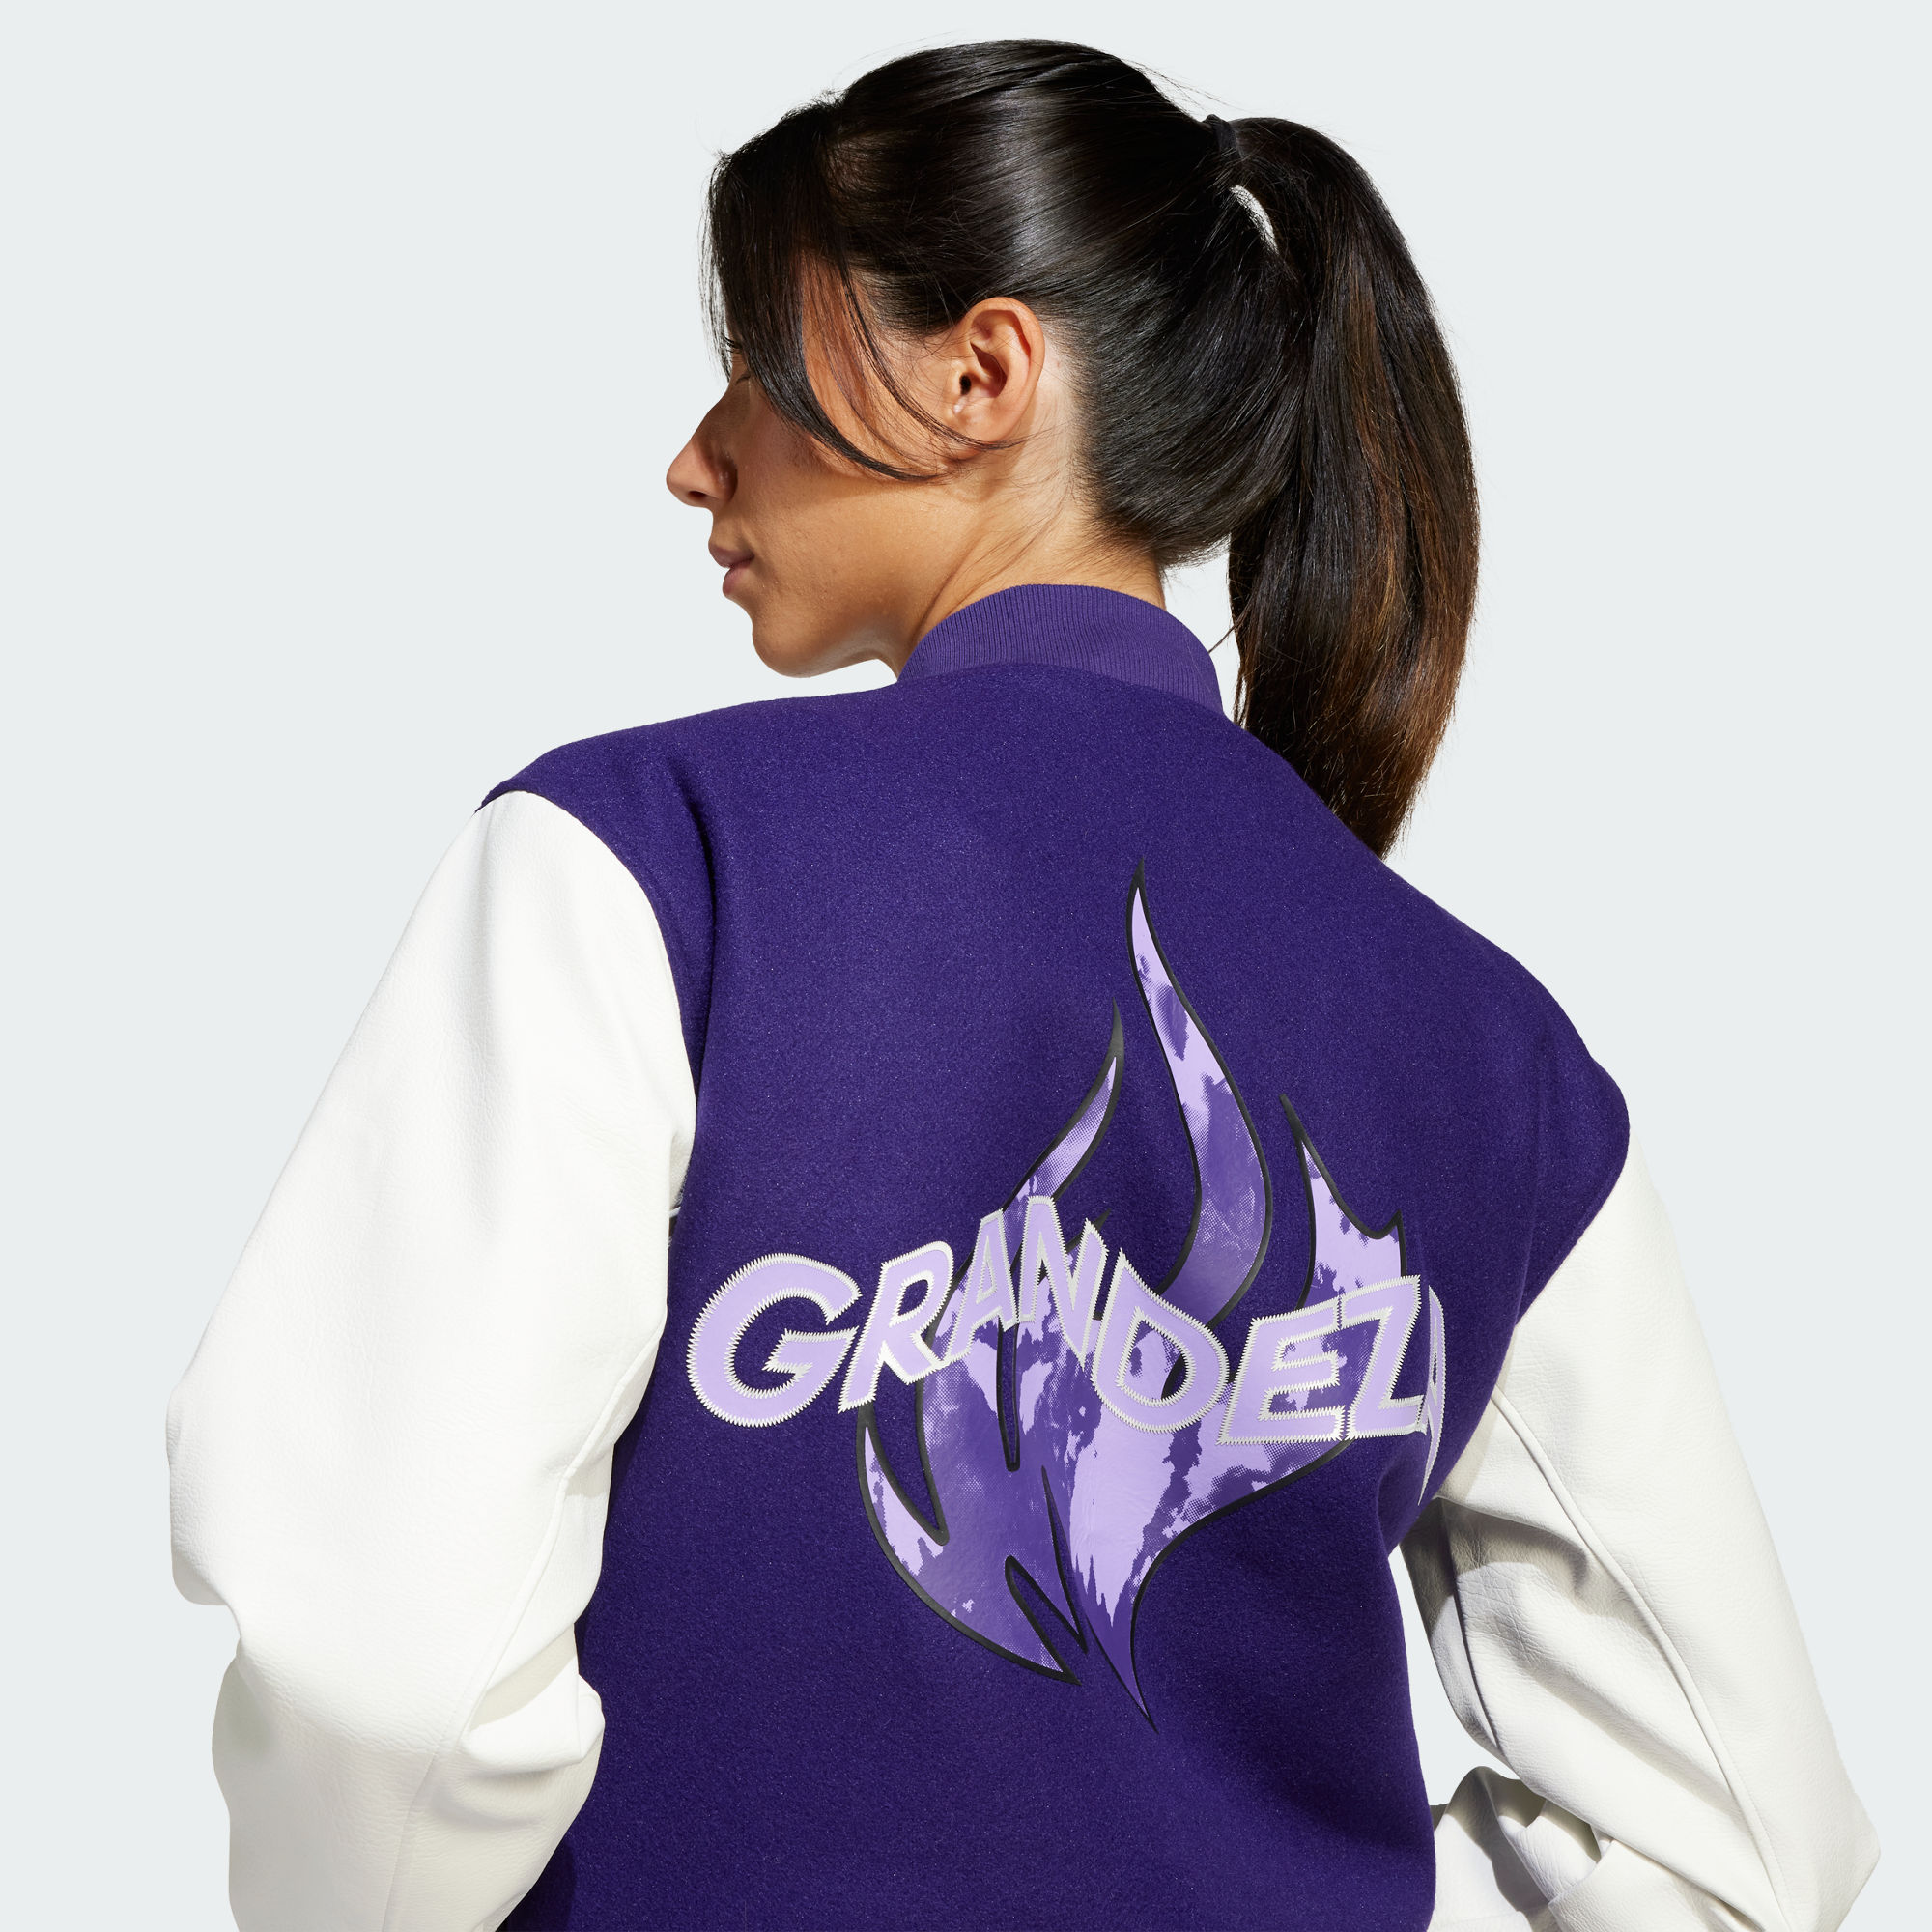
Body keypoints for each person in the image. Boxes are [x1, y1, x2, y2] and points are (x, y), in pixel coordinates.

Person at [167, 39, 1876, 1932]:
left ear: (981, 375)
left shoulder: (647, 862)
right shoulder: (1488, 1051)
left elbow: (388, 1664)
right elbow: (1739, 1839)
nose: (697, 454)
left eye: (760, 362)